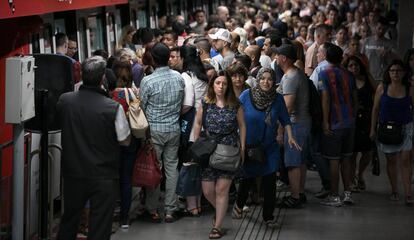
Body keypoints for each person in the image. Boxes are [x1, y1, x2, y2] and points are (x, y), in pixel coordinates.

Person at [56, 56, 131, 240]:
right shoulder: (112, 107)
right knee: (100, 224)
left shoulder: (65, 101)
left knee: (69, 220)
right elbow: (125, 140)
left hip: (73, 173)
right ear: (102, 79)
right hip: (104, 175)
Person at [234, 67, 300, 227]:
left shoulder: (277, 99)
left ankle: (268, 217)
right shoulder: (246, 96)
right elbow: (236, 117)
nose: (266, 82)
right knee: (247, 179)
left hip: (269, 147)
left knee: (270, 181)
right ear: (258, 79)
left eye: (270, 79)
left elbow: (285, 119)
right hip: (249, 147)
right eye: (262, 78)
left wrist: (290, 137)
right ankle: (239, 205)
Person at [193, 71, 246, 239]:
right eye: (217, 83)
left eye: (224, 83)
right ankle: (220, 211)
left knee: (222, 190)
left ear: (228, 85)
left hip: (228, 151)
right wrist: (196, 145)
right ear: (212, 85)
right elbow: (198, 123)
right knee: (208, 190)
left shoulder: (235, 104)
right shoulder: (206, 103)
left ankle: (217, 226)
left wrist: (242, 147)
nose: (221, 86)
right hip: (208, 150)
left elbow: (242, 125)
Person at [139, 42, 185, 222]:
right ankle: (170, 209)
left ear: (153, 59)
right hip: (174, 129)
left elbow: (142, 107)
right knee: (172, 168)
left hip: (154, 131)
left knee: (154, 168)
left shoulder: (147, 81)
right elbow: (181, 103)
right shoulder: (179, 78)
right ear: (168, 58)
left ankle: (152, 209)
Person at [370, 60, 414, 206]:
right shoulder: (382, 88)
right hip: (386, 129)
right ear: (388, 73)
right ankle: (394, 190)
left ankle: (408, 193)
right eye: (392, 70)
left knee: (406, 159)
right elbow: (375, 109)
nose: (395, 73)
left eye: (399, 71)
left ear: (404, 73)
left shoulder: (410, 89)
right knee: (391, 160)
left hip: (405, 127)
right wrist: (372, 129)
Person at [319, 43, 357, 207]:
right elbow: (355, 99)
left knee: (334, 160)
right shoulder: (349, 74)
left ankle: (335, 196)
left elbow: (326, 98)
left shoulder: (324, 73)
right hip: (349, 123)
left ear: (326, 57)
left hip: (334, 124)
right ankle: (348, 194)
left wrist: (325, 122)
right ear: (341, 57)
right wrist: (352, 117)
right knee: (347, 159)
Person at [276, 44, 311, 208]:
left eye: (277, 56)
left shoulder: (290, 77)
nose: (275, 58)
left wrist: (280, 130)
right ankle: (301, 192)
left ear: (283, 58)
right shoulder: (296, 74)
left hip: (295, 124)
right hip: (303, 121)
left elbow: (287, 107)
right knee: (301, 161)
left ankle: (295, 196)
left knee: (292, 162)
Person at [110, 60, 140, 228]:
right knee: (126, 179)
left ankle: (111, 210)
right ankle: (125, 218)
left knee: (111, 178)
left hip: (111, 141)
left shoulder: (109, 94)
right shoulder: (134, 93)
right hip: (130, 140)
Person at [179, 45, 209, 216]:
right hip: (205, 124)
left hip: (192, 126)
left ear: (184, 58)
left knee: (190, 165)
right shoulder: (203, 75)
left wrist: (178, 113)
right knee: (200, 166)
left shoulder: (186, 75)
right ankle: (198, 203)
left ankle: (192, 206)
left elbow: (188, 102)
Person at [344, 56, 375, 192]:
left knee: (367, 151)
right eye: (351, 66)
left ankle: (360, 174)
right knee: (352, 153)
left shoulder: (366, 79)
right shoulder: (345, 82)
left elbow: (378, 89)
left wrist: (367, 72)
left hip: (367, 120)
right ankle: (351, 182)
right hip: (352, 120)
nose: (354, 68)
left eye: (356, 65)